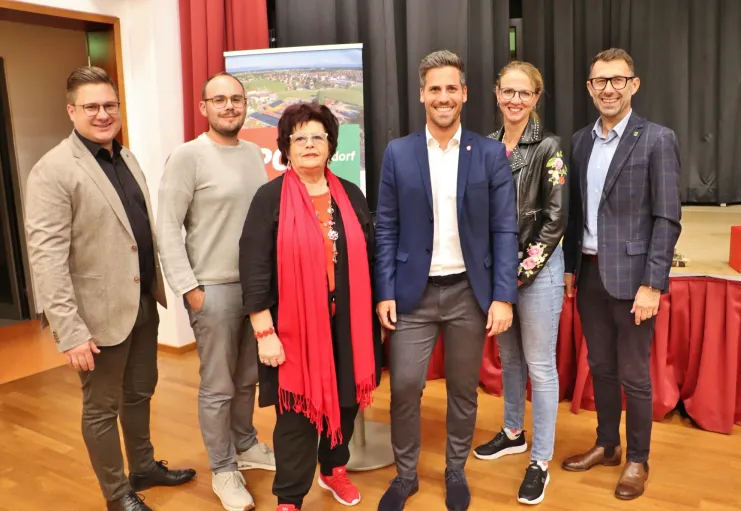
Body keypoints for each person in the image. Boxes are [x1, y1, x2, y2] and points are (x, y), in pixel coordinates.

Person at [23, 66, 195, 511]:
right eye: (91, 107)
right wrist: (70, 330)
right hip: (95, 316)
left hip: (139, 301)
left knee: (140, 392)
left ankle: (143, 468)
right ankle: (118, 494)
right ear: (71, 111)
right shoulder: (53, 171)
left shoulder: (127, 157)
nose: (102, 114)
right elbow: (47, 258)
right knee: (101, 408)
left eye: (109, 105)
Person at [375, 50, 519, 511]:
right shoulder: (398, 153)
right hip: (412, 296)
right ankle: (405, 477)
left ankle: (455, 470)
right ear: (422, 95)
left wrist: (503, 296)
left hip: (466, 294)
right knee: (404, 388)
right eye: (434, 88)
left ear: (464, 94)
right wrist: (384, 292)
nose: (443, 97)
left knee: (462, 389)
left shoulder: (491, 153)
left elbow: (504, 229)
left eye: (451, 88)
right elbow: (386, 228)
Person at [239, 102, 382, 511]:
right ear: (285, 146)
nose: (308, 144)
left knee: (347, 402)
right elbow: (253, 267)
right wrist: (264, 332)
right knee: (296, 416)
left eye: (317, 136)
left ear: (330, 144)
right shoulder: (270, 199)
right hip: (293, 328)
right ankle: (290, 497)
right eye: (298, 137)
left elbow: (369, 258)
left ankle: (334, 468)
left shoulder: (350, 194)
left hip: (349, 324)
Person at [561, 48, 681, 500]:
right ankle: (607, 445)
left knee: (634, 374)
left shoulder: (656, 139)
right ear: (590, 88)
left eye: (617, 80)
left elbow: (667, 218)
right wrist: (573, 268)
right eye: (599, 81)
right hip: (590, 275)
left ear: (634, 84)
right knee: (601, 367)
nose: (608, 88)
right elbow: (577, 215)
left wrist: (653, 284)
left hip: (635, 281)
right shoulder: (579, 141)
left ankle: (637, 460)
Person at [156, 71, 275, 511]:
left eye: (236, 99)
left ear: (245, 105)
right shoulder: (188, 157)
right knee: (219, 385)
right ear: (203, 107)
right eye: (219, 100)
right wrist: (190, 289)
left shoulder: (251, 154)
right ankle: (224, 469)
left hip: (255, 290)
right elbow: (166, 227)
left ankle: (245, 444)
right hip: (213, 291)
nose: (229, 106)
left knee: (247, 378)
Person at [472, 61, 568, 505]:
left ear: (536, 97)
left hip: (538, 271)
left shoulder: (550, 148)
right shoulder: (486, 147)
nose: (514, 100)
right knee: (508, 359)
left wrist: (516, 277)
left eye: (523, 93)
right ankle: (513, 431)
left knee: (540, 366)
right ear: (496, 95)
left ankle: (541, 460)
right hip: (499, 274)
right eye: (507, 92)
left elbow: (554, 221)